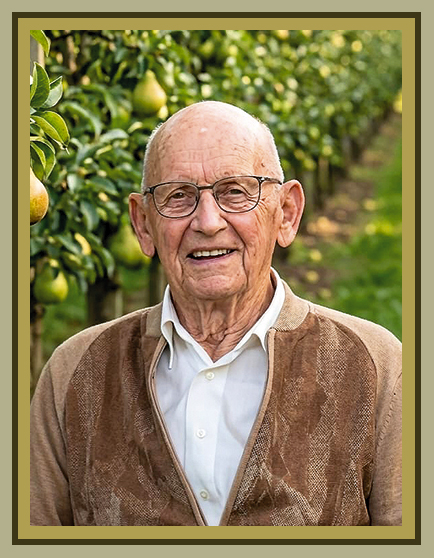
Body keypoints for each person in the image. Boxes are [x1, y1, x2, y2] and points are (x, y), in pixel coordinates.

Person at [30, 101, 402, 527]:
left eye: (235, 192)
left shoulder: (376, 368)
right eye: (178, 196)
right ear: (143, 225)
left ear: (286, 213)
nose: (207, 222)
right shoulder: (75, 373)